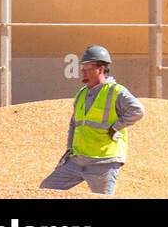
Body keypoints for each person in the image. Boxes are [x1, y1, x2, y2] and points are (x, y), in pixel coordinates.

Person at [40, 44, 145, 196]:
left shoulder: (115, 91)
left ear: (100, 69)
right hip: (77, 161)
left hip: (103, 164)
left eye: (87, 67)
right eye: (82, 67)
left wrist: (116, 127)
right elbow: (74, 124)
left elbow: (138, 111)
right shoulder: (82, 93)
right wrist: (70, 150)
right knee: (45, 191)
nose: (82, 71)